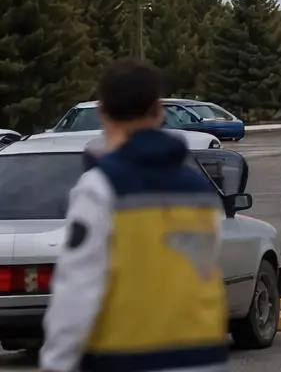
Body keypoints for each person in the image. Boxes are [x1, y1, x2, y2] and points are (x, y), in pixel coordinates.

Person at [40, 58, 228, 372]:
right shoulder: (199, 190)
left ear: (103, 112)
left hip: (128, 358)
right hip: (204, 356)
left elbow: (78, 286)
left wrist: (56, 362)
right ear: (158, 110)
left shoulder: (100, 187)